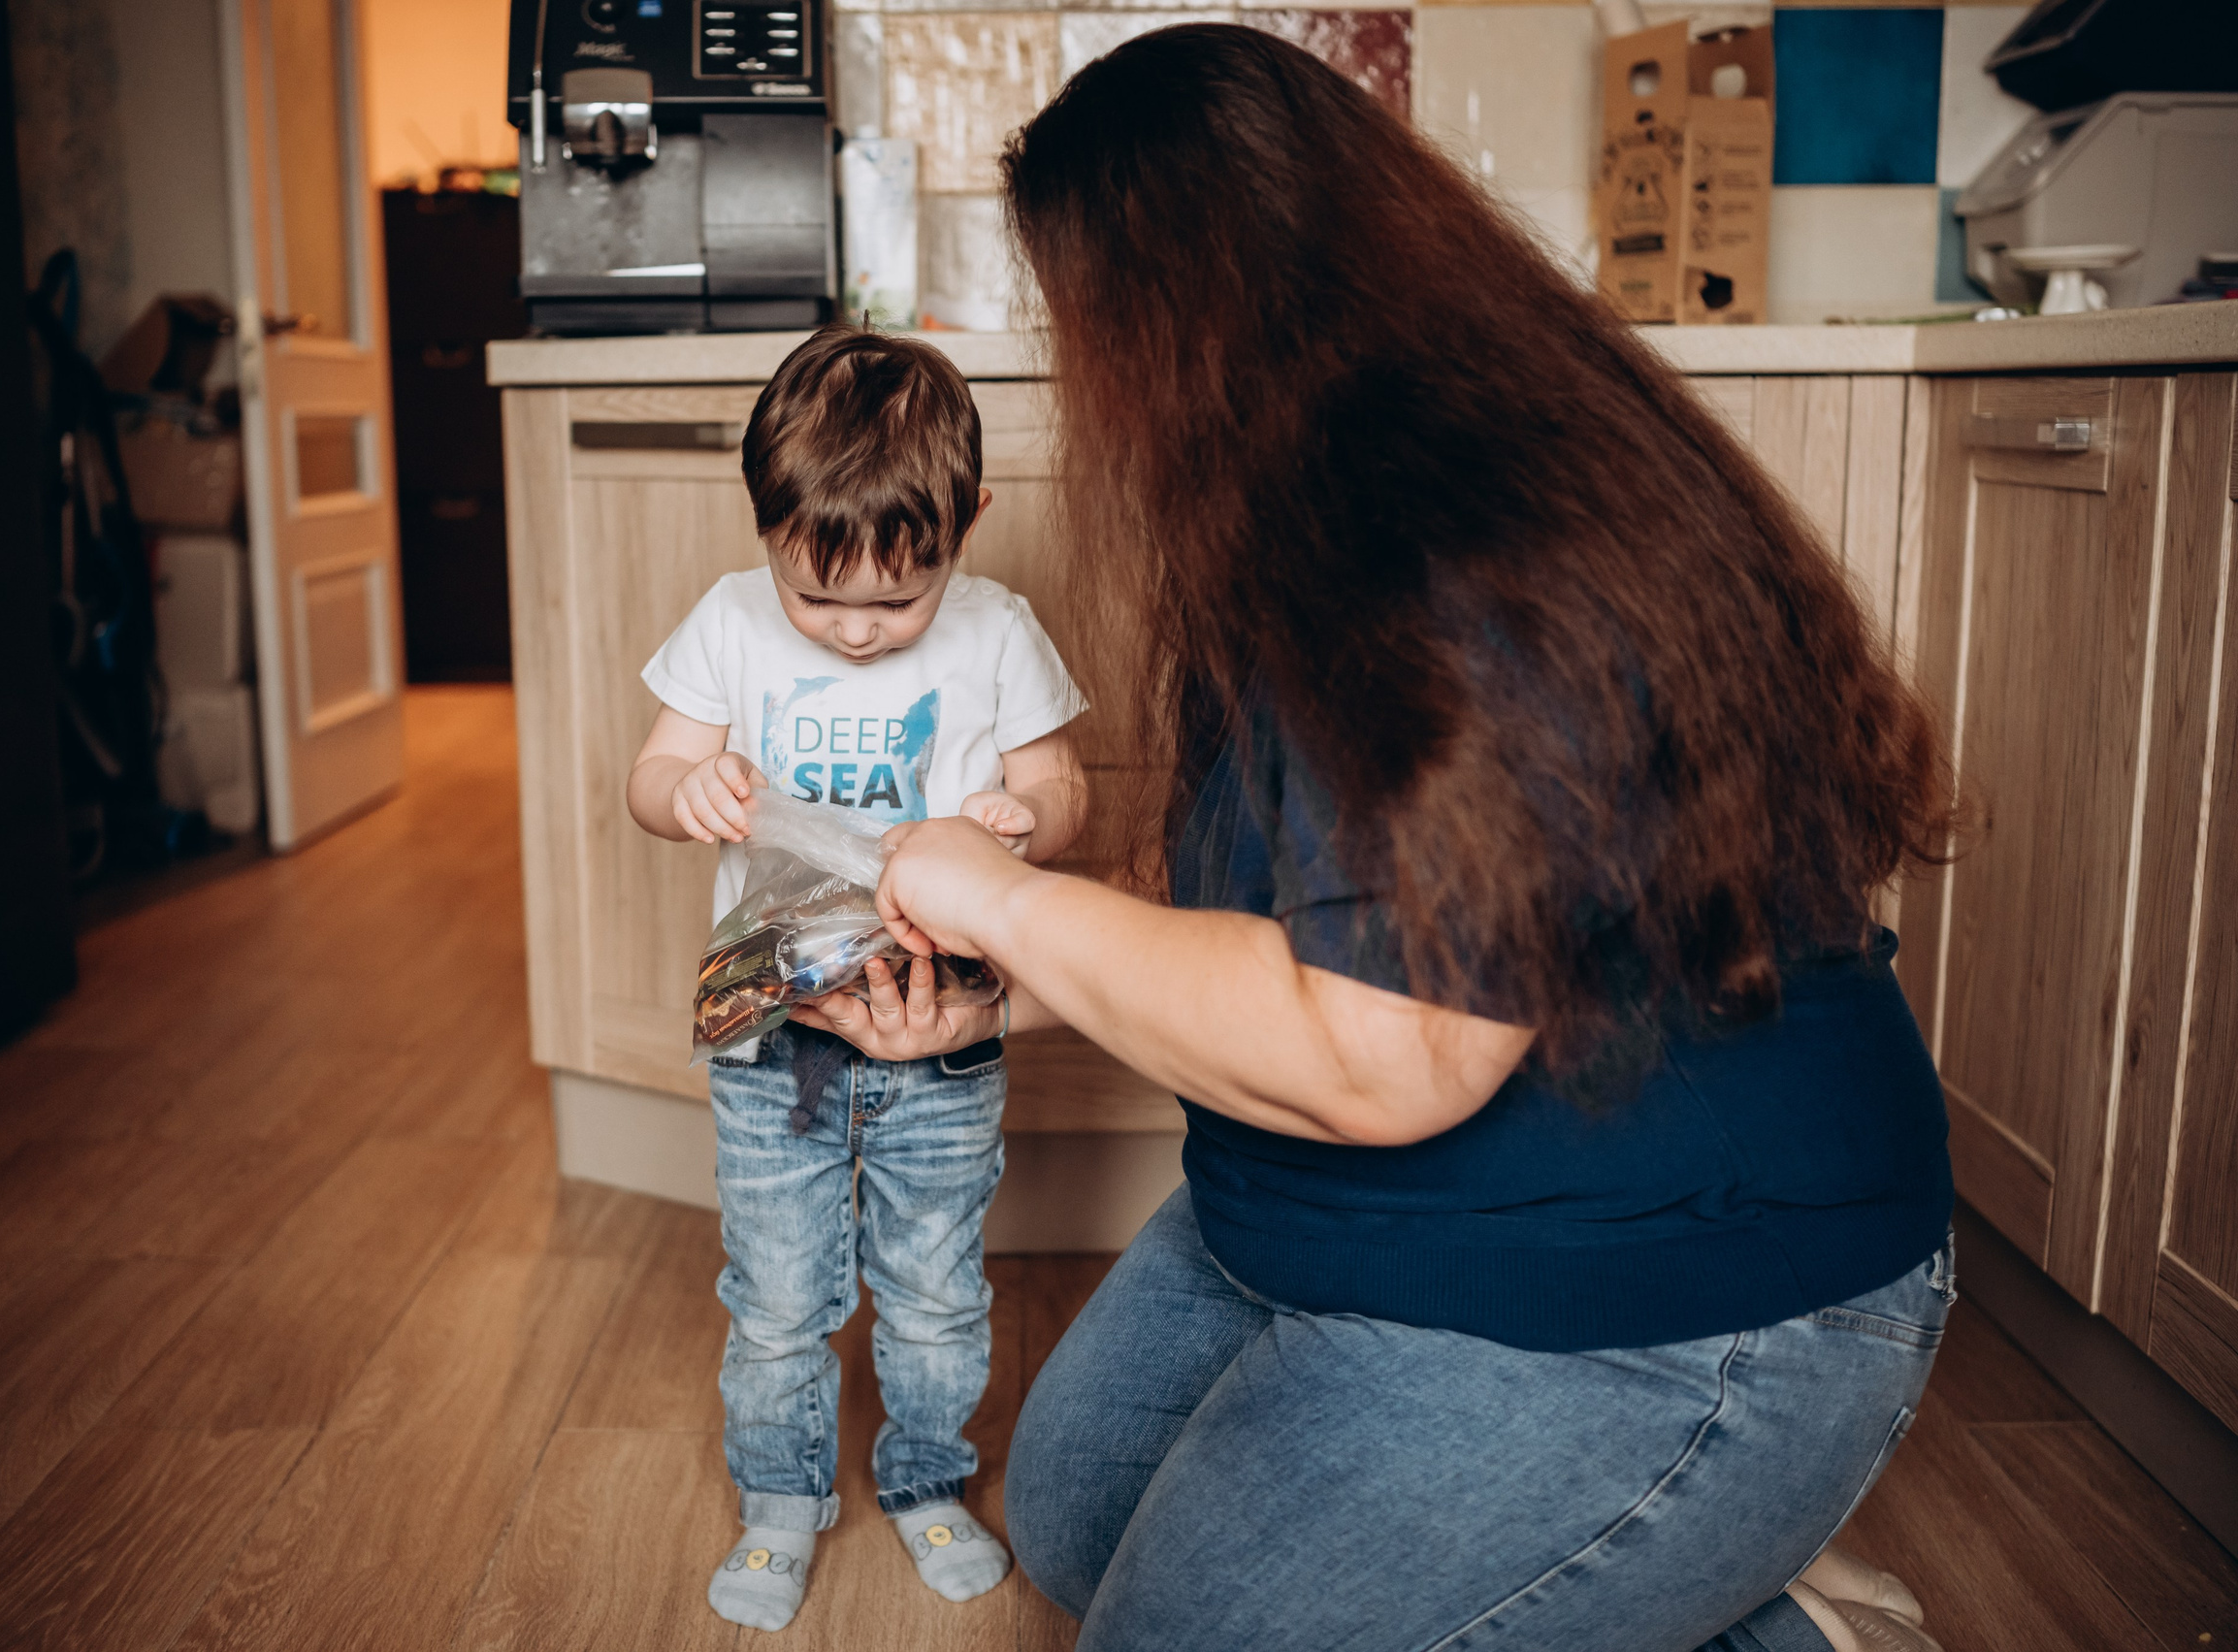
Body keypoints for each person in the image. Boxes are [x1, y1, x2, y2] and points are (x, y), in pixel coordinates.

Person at [792, 27, 1959, 1652]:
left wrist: (991, 887)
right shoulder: (1313, 501)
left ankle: (1756, 1596)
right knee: (1071, 1524)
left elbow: (1386, 1052)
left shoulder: (1466, 548)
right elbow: (1266, 891)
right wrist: (1000, 974)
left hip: (1672, 1285)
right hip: (1368, 1214)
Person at [625, 324, 1089, 1632]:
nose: (859, 630)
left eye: (898, 600)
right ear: (765, 524)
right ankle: (781, 1497)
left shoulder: (999, 632)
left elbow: (1064, 789)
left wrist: (1023, 820)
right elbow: (648, 780)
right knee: (777, 1297)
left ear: (969, 521)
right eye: (818, 599)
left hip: (940, 1025)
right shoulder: (728, 622)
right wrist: (688, 788)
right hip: (774, 1029)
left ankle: (928, 1478)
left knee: (936, 1291)